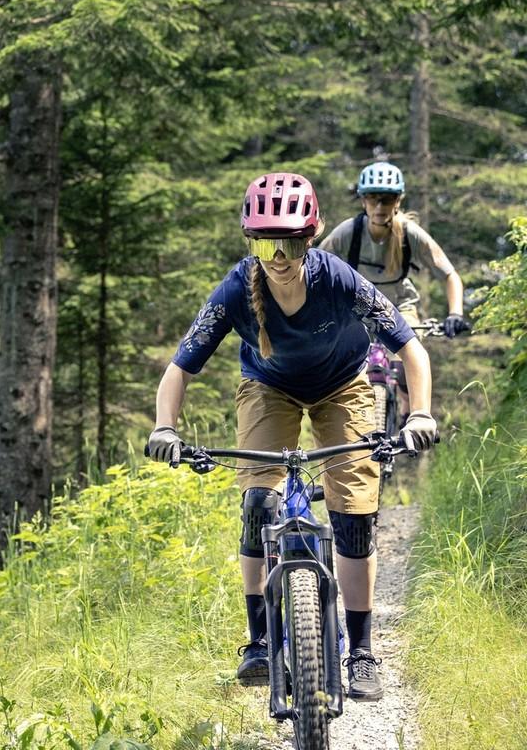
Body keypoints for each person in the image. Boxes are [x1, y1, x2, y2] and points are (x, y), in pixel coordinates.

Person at [147, 171, 435, 701]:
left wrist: (418, 415)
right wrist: (165, 427)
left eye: (292, 242)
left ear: (312, 237)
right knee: (258, 501)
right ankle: (257, 642)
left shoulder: (340, 279)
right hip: (269, 388)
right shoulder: (236, 288)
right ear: (249, 240)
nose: (279, 256)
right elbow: (180, 368)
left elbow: (410, 349)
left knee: (353, 513)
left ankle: (362, 652)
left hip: (343, 387)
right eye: (265, 242)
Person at [318, 161, 469, 412]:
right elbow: (316, 269)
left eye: (386, 200)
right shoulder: (348, 232)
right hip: (356, 308)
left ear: (398, 201)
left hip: (399, 306)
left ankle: (410, 412)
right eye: (372, 199)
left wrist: (455, 313)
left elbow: (449, 274)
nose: (379, 207)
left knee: (407, 365)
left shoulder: (411, 233)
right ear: (362, 200)